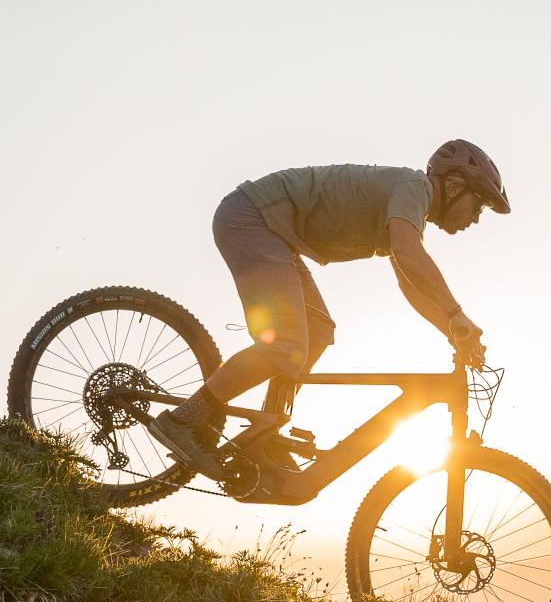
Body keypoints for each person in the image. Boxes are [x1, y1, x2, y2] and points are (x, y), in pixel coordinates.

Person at [149, 140, 508, 473]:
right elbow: (409, 255)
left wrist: (453, 331)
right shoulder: (414, 188)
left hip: (273, 232)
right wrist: (456, 315)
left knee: (318, 332)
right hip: (252, 218)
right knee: (286, 345)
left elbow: (409, 282)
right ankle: (183, 420)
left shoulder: (409, 206)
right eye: (479, 205)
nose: (476, 218)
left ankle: (265, 437)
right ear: (457, 186)